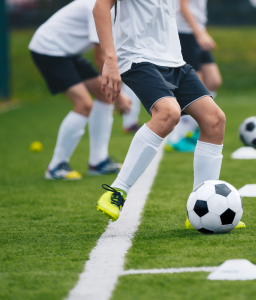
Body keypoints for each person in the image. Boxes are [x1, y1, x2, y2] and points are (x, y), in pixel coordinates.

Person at [93, 0, 227, 223]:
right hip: (137, 57)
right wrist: (110, 58)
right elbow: (100, 7)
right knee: (168, 113)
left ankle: (200, 208)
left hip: (174, 60)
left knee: (215, 120)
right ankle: (116, 192)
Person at [29, 0, 132, 180]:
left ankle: (98, 162)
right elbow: (102, 58)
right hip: (48, 49)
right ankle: (56, 166)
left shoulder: (117, 7)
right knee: (84, 104)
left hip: (68, 52)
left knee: (105, 97)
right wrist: (120, 96)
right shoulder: (96, 6)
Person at [166, 0, 223, 152]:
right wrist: (200, 34)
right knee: (194, 86)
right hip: (186, 33)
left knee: (213, 81)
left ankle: (193, 127)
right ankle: (178, 137)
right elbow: (183, 7)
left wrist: (201, 32)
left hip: (197, 31)